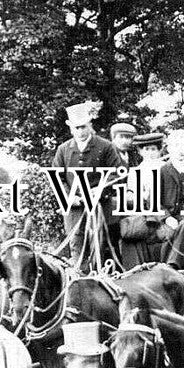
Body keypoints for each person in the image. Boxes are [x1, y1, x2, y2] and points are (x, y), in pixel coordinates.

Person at [51, 100, 126, 271]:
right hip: (75, 209)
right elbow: (57, 178)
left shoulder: (105, 146)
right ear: (70, 128)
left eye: (83, 127)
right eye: (76, 128)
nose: (80, 131)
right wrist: (71, 196)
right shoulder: (63, 150)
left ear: (90, 125)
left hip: (101, 207)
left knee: (105, 247)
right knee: (77, 248)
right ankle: (82, 284)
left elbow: (118, 173)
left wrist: (99, 190)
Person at [118, 132, 184, 269]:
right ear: (141, 151)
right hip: (148, 213)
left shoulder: (167, 167)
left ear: (160, 150)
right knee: (132, 235)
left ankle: (167, 267)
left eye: (153, 149)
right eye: (146, 150)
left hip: (167, 210)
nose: (150, 153)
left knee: (173, 230)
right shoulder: (135, 172)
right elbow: (133, 195)